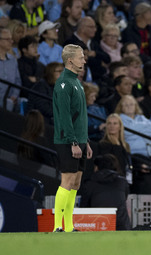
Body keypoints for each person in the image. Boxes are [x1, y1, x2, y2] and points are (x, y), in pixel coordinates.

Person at [52, 44, 93, 232]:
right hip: (68, 141)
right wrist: (74, 142)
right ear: (70, 60)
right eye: (81, 57)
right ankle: (56, 227)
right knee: (67, 181)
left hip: (80, 140)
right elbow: (64, 116)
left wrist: (86, 141)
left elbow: (80, 115)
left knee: (75, 183)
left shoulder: (76, 82)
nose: (84, 60)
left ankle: (68, 226)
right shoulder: (64, 83)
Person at [80, 154, 131, 230]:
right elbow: (125, 197)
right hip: (121, 225)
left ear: (97, 167)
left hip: (96, 224)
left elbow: (83, 207)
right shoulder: (122, 182)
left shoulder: (90, 183)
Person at [0, 27, 22, 112]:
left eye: (11, 39)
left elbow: (18, 81)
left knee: (23, 102)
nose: (11, 42)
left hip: (11, 98)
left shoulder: (13, 60)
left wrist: (14, 95)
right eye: (7, 39)